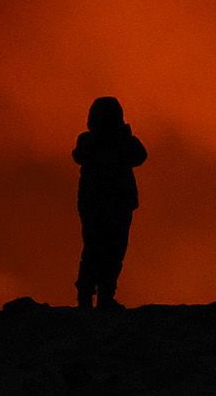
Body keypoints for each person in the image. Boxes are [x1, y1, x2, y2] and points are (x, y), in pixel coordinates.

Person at [73, 95, 147, 310]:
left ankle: (102, 297)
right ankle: (88, 297)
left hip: (113, 203)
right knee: (98, 249)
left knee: (110, 250)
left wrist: (122, 138)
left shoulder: (103, 141)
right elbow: (80, 155)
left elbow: (140, 156)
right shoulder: (89, 141)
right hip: (102, 203)